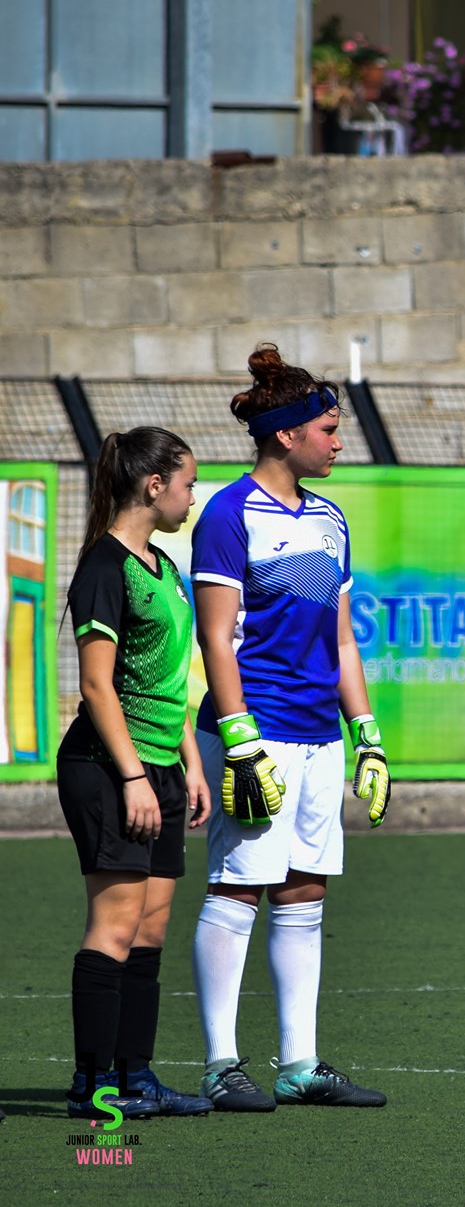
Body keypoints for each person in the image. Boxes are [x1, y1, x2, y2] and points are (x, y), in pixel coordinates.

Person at [189, 344, 393, 1112]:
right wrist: (239, 740)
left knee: (305, 888)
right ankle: (220, 1063)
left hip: (319, 734)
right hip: (258, 730)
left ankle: (300, 1063)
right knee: (240, 885)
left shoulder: (333, 519)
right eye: (330, 429)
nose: (339, 441)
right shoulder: (228, 514)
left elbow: (342, 639)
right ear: (287, 435)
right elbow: (217, 638)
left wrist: (367, 733)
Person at [57, 428, 214, 1119]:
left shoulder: (165, 567)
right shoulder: (104, 565)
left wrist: (187, 764)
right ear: (154, 486)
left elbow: (172, 680)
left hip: (161, 768)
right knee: (114, 927)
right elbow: (97, 686)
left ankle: (138, 1076)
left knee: (149, 932)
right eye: (187, 482)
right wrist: (132, 776)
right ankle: (94, 1087)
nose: (191, 495)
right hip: (107, 767)